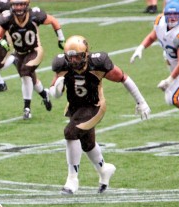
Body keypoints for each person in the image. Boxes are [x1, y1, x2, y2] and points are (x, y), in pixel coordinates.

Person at [50, 35, 151, 195]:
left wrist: (141, 101)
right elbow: (55, 94)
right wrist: (56, 88)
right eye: (71, 56)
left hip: (94, 105)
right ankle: (104, 170)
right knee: (87, 143)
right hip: (75, 107)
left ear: (86, 54)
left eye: (78, 56)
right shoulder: (62, 65)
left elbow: (124, 78)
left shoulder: (98, 64)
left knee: (71, 132)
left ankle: (72, 178)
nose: (74, 60)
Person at [130, 0, 179, 131]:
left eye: (175, 15)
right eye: (169, 15)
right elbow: (152, 36)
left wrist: (169, 80)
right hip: (174, 62)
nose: (172, 18)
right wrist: (141, 48)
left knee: (172, 97)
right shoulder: (160, 20)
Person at [0, 0, 65, 120]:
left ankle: (27, 109)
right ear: (11, 5)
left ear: (26, 5)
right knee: (32, 78)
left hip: (35, 51)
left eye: (21, 4)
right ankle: (44, 94)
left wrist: (61, 38)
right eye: (16, 4)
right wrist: (1, 41)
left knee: (25, 73)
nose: (18, 7)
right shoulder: (7, 18)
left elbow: (53, 20)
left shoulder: (35, 15)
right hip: (19, 53)